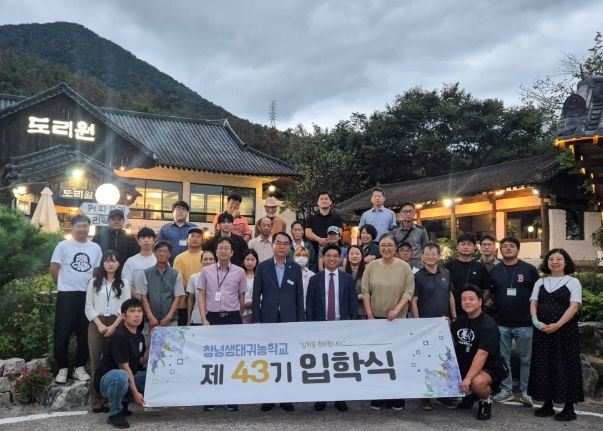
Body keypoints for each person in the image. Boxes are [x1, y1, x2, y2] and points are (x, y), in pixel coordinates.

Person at [528, 248, 583, 422]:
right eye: (551, 259)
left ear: (566, 262)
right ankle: (547, 404)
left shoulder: (573, 282)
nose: (554, 262)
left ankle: (569, 408)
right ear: (547, 262)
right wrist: (536, 321)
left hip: (565, 332)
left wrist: (558, 324)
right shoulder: (541, 282)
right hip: (542, 331)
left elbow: (574, 307)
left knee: (566, 366)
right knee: (544, 365)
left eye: (559, 259)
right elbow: (533, 303)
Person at [361, 232, 414, 411]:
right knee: (376, 358)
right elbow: (365, 291)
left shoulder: (405, 267)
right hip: (375, 319)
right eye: (383, 245)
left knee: (396, 358)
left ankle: (396, 395)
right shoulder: (371, 266)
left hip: (398, 320)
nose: (386, 248)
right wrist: (369, 315)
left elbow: (408, 292)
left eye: (390, 245)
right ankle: (378, 394)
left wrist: (397, 310)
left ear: (395, 248)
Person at [252, 232, 304, 412]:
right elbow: (256, 295)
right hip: (268, 319)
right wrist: (256, 320)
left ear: (290, 247)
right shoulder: (262, 267)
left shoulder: (295, 268)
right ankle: (269, 397)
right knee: (268, 359)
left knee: (287, 360)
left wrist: (300, 321)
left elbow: (299, 297)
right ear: (273, 245)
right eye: (279, 243)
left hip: (289, 320)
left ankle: (285, 397)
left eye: (285, 244)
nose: (282, 247)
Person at [306, 244, 358, 412]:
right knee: (321, 363)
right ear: (323, 258)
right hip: (320, 328)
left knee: (340, 364)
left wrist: (353, 326)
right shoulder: (315, 279)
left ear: (340, 259)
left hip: (341, 327)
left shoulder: (347, 279)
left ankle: (340, 397)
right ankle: (321, 397)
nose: (332, 258)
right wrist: (311, 327)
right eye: (328, 255)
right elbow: (310, 305)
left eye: (335, 256)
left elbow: (353, 305)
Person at [50, 214, 102, 384]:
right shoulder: (63, 246)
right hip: (67, 295)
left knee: (85, 333)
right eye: (78, 226)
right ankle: (62, 368)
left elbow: (96, 271)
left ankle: (79, 367)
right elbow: (54, 267)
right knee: (62, 332)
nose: (82, 229)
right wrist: (63, 284)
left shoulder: (95, 247)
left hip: (86, 295)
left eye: (85, 226)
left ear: (89, 228)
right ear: (72, 228)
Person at [197, 236, 247, 412]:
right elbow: (201, 295)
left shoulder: (240, 272)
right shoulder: (206, 271)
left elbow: (241, 297)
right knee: (212, 359)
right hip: (213, 318)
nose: (223, 250)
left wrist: (238, 316)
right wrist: (204, 319)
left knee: (232, 359)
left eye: (227, 248)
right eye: (220, 248)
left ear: (232, 252)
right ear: (216, 251)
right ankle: (211, 397)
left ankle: (230, 396)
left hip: (232, 318)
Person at [489, 237, 539, 406]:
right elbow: (490, 294)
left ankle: (526, 391)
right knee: (503, 358)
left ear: (518, 249)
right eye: (504, 246)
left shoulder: (529, 269)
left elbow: (537, 295)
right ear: (500, 250)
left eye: (512, 246)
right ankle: (506, 389)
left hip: (525, 323)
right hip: (501, 322)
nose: (508, 248)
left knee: (527, 359)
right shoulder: (495, 270)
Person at [411, 242, 456, 410]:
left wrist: (454, 315)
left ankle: (444, 395)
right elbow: (414, 301)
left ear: (439, 256)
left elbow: (450, 295)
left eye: (434, 253)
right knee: (426, 359)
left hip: (444, 324)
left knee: (444, 359)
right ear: (422, 257)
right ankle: (426, 395)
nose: (430, 256)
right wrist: (418, 322)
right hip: (426, 325)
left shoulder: (446, 273)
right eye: (427, 254)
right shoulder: (417, 276)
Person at [85, 250, 132, 413]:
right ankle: (96, 400)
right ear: (102, 263)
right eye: (107, 260)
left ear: (119, 264)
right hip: (96, 322)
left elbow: (125, 307)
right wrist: (99, 324)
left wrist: (113, 326)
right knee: (96, 362)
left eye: (113, 260)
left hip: (117, 322)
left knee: (113, 361)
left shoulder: (124, 283)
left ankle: (110, 399)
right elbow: (88, 307)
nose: (110, 263)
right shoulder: (94, 282)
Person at [452, 285, 503, 421]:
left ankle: (485, 400)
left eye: (471, 299)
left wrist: (468, 379)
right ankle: (471, 395)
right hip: (465, 364)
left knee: (477, 382)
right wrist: (443, 324)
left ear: (480, 301)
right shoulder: (459, 321)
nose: (467, 302)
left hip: (488, 367)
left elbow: (482, 355)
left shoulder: (488, 324)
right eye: (463, 299)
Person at [94, 298, 147, 429]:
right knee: (121, 376)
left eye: (139, 311)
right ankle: (115, 414)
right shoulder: (120, 336)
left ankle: (123, 403)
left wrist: (154, 342)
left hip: (126, 377)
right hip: (106, 380)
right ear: (123, 316)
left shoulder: (139, 336)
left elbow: (141, 361)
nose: (137, 315)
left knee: (151, 377)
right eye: (132, 311)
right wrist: (136, 394)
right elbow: (124, 367)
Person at [137, 240, 185, 340]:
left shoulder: (176, 274)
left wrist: (169, 317)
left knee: (171, 346)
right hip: (150, 321)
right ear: (154, 253)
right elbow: (143, 297)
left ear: (170, 254)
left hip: (171, 321)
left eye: (165, 251)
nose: (162, 254)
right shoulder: (145, 273)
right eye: (159, 251)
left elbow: (177, 298)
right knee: (149, 346)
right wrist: (150, 316)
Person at [444, 233, 491, 317]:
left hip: (475, 312)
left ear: (474, 247)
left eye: (469, 244)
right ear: (457, 247)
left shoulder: (480, 267)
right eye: (463, 244)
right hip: (453, 311)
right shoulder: (448, 266)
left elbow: (487, 289)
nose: (466, 247)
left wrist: (477, 303)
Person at [173, 227, 204, 326]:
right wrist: (191, 290)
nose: (195, 239)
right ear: (187, 239)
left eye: (198, 237)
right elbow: (178, 277)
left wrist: (198, 292)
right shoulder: (179, 258)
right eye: (192, 236)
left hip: (203, 300)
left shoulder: (206, 257)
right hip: (183, 301)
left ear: (202, 240)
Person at [121, 227, 157, 296]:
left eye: (149, 237)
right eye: (143, 238)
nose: (146, 240)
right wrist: (142, 299)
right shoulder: (131, 261)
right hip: (136, 300)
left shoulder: (161, 260)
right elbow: (126, 284)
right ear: (138, 241)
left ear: (154, 240)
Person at [305, 192, 343, 256]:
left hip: (333, 252)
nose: (324, 201)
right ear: (317, 202)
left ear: (330, 202)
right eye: (321, 199)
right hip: (314, 251)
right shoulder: (311, 217)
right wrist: (319, 240)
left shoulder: (337, 217)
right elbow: (308, 233)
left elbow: (340, 232)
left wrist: (329, 241)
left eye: (326, 199)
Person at [391, 202, 428, 267]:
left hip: (417, 265)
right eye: (405, 211)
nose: (408, 214)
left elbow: (425, 248)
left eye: (410, 211)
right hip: (399, 264)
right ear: (401, 214)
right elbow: (392, 248)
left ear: (414, 213)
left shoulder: (421, 230)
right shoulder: (394, 231)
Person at [186, 250, 216, 325]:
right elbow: (190, 300)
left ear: (215, 261)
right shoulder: (193, 277)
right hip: (197, 317)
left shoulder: (221, 278)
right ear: (201, 261)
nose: (208, 262)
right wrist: (189, 319)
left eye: (211, 259)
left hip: (216, 317)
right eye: (205, 259)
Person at [344, 245, 366, 318]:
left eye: (357, 253)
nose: (354, 256)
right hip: (344, 311)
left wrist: (354, 297)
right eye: (352, 254)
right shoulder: (341, 271)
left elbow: (370, 292)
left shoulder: (367, 272)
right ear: (347, 256)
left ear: (362, 256)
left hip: (361, 311)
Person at [293, 246, 315, 310]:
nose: (301, 258)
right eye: (298, 255)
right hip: (292, 310)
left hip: (307, 310)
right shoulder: (288, 274)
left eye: (304, 256)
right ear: (294, 257)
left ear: (308, 258)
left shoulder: (312, 275)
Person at [242, 249, 258, 324]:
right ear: (243, 261)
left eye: (252, 259)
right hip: (242, 312)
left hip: (257, 311)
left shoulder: (260, 276)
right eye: (247, 259)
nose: (250, 262)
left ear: (256, 261)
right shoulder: (239, 276)